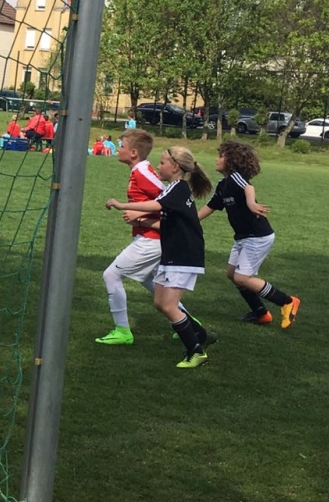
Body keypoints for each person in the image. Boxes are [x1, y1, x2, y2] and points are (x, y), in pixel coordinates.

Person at [96, 130, 208, 348]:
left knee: (111, 275)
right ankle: (190, 325)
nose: (118, 149)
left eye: (121, 145)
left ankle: (122, 331)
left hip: (153, 239)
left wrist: (138, 215)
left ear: (134, 152)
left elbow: (165, 197)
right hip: (152, 236)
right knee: (152, 283)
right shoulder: (139, 171)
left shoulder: (142, 172)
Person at [198, 141, 301, 328]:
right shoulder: (223, 186)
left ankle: (287, 302)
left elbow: (248, 187)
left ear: (231, 161)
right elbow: (210, 207)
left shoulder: (236, 178)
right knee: (232, 274)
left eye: (220, 156)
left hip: (257, 236)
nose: (216, 159)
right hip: (243, 237)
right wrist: (189, 221)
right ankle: (260, 313)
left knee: (242, 278)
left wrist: (251, 203)